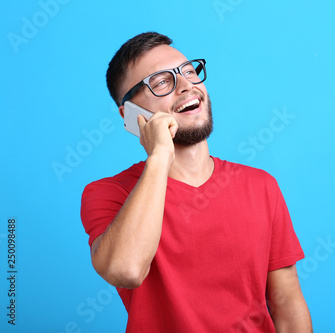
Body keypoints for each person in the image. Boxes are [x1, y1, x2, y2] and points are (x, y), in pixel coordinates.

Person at [80, 32, 312, 332]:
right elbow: (126, 270)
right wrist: (160, 155)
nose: (187, 85)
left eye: (189, 71)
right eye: (162, 81)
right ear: (129, 115)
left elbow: (287, 302)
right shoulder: (108, 193)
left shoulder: (261, 186)